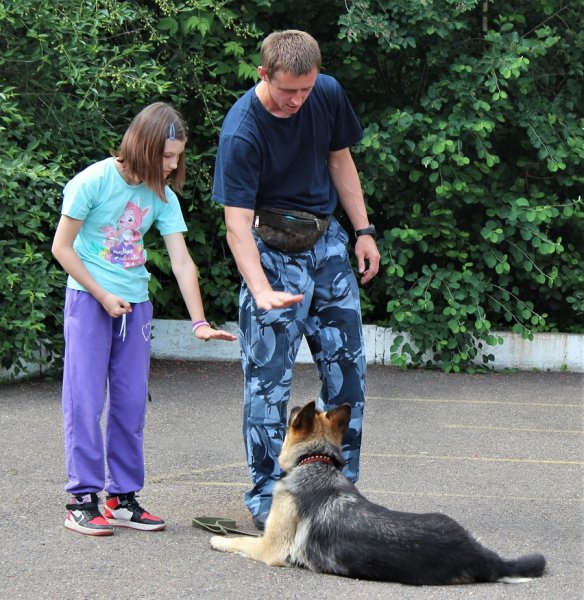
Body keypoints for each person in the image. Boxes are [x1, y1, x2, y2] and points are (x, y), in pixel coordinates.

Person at [212, 30, 380, 530]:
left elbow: (339, 160)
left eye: (306, 89)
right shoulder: (241, 131)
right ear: (263, 75)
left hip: (328, 248)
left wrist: (363, 230)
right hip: (271, 250)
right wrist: (261, 289)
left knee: (348, 378)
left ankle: (339, 489)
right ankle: (268, 498)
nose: (298, 100)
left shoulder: (325, 92)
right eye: (288, 91)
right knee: (268, 386)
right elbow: (236, 225)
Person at [52, 102, 237, 536]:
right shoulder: (93, 181)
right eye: (166, 156)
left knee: (132, 402)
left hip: (135, 307)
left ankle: (121, 498)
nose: (173, 166)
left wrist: (199, 322)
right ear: (143, 145)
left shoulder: (163, 197)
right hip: (88, 300)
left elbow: (182, 261)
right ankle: (81, 500)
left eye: (178, 156)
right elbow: (62, 248)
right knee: (84, 400)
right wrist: (101, 293)